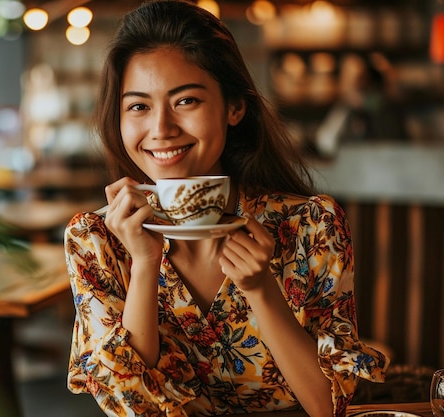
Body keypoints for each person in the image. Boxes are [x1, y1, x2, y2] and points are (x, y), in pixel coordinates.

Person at [63, 1, 389, 416]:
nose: (161, 129)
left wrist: (261, 291)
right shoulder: (96, 240)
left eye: (186, 101)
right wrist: (144, 266)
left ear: (234, 107)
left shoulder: (311, 224)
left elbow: (329, 408)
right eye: (139, 106)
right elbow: (130, 404)